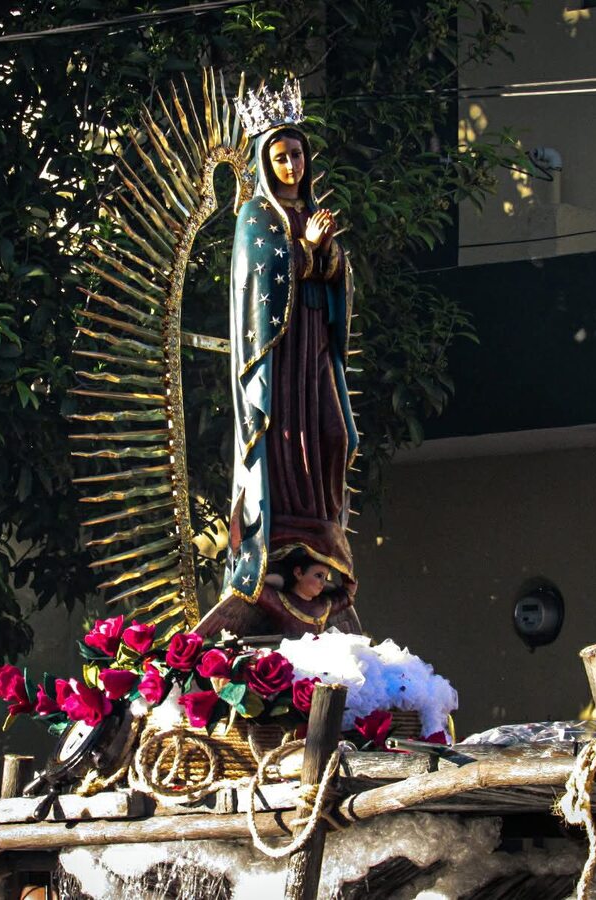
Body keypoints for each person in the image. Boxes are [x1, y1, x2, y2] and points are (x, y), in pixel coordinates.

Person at [199, 82, 362, 639]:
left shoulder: (312, 214)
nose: (291, 164)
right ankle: (287, 529)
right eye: (280, 156)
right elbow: (261, 278)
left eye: (297, 154)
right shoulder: (254, 216)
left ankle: (323, 521)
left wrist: (329, 256)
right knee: (288, 435)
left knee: (337, 435)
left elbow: (336, 280)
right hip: (280, 354)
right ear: (265, 163)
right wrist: (311, 251)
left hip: (314, 345)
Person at [196, 547, 360, 639]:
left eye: (325, 577)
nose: (323, 582)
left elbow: (344, 598)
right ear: (298, 573)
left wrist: (348, 585)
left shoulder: (324, 605)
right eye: (318, 576)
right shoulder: (281, 601)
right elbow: (250, 589)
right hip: (287, 663)